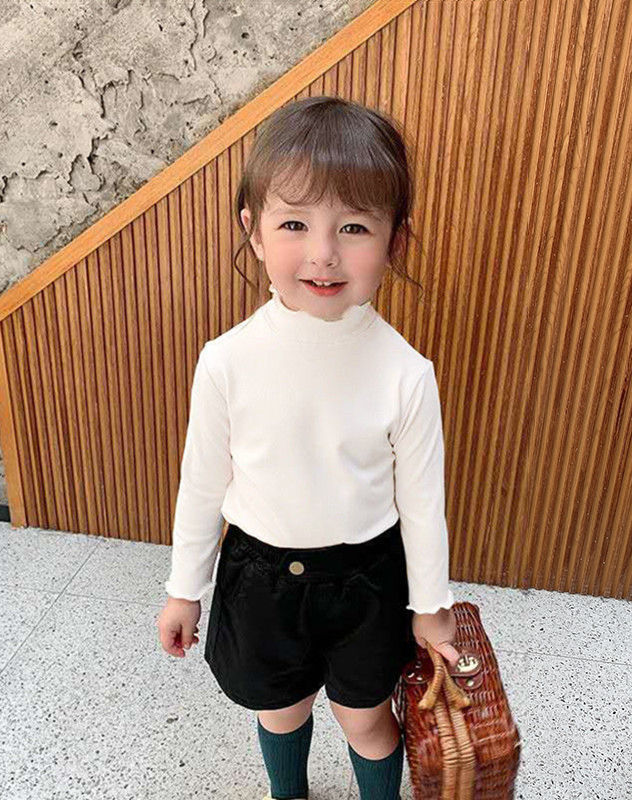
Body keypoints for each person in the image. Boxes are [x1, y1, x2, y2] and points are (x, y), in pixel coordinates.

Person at [156, 96, 460, 800]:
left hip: (367, 582)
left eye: (354, 227)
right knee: (281, 709)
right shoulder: (226, 361)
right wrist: (183, 590)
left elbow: (423, 504)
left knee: (366, 720)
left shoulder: (406, 373)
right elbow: (202, 485)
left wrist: (431, 605)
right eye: (294, 223)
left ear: (395, 242)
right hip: (259, 577)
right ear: (254, 231)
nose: (323, 253)